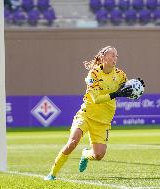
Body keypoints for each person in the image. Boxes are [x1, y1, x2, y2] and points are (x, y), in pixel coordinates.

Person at [44, 46, 144, 180]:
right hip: (86, 115)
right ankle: (52, 174)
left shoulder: (120, 75)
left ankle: (86, 154)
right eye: (112, 55)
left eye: (116, 56)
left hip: (103, 121)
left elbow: (128, 90)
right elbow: (96, 99)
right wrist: (116, 94)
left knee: (99, 155)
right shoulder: (94, 74)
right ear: (103, 57)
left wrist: (137, 88)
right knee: (73, 142)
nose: (115, 58)